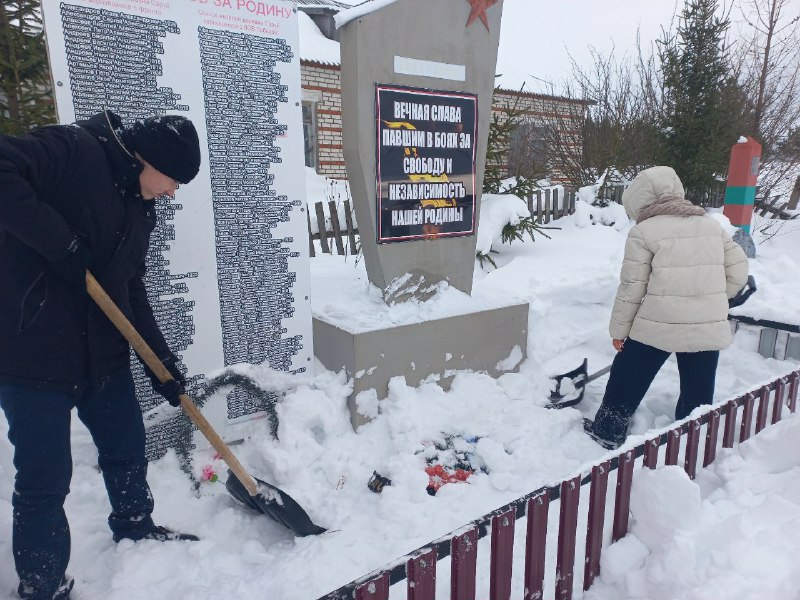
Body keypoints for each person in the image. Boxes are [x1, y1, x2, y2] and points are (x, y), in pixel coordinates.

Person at [0, 110, 202, 600]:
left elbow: (130, 290)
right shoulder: (73, 150)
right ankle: (42, 584)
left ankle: (135, 526)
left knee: (126, 446)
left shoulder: (139, 205)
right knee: (46, 478)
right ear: (145, 159)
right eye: (173, 178)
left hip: (102, 354)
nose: (173, 191)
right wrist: (59, 242)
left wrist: (163, 366)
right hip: (34, 353)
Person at [584, 166, 749, 450]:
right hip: (705, 326)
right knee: (698, 392)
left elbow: (631, 288)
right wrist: (716, 301)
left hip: (657, 324)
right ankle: (692, 439)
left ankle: (608, 430)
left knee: (628, 374)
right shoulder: (711, 225)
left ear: (640, 201)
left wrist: (619, 331)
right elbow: (738, 271)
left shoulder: (644, 232)